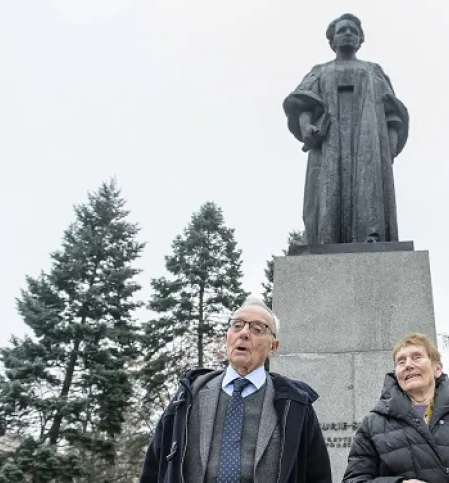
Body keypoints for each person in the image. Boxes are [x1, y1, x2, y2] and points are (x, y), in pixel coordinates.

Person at [139, 296, 332, 483]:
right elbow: (154, 467)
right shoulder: (189, 396)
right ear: (227, 337)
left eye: (257, 329)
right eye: (237, 326)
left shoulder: (295, 404)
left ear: (273, 347)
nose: (244, 333)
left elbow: (317, 475)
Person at [283, 13, 410, 245]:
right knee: (328, 186)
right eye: (343, 30)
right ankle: (326, 238)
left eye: (354, 30)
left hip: (369, 141)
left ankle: (372, 236)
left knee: (368, 182)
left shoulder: (373, 70)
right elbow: (303, 101)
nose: (349, 33)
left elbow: (392, 110)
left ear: (361, 40)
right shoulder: (320, 71)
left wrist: (391, 142)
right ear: (332, 41)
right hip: (330, 141)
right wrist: (305, 125)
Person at [343, 333, 449, 483]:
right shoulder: (373, 425)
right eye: (401, 361)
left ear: (437, 369)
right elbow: (353, 480)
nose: (408, 365)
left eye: (416, 357)